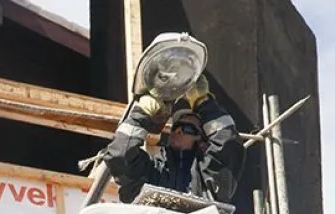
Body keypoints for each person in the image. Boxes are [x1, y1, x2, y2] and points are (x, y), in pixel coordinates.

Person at [103, 75, 245, 205]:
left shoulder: (209, 182)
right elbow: (120, 155)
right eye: (176, 127)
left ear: (203, 143)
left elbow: (228, 143)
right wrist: (142, 115)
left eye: (188, 129)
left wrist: (203, 102)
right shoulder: (151, 173)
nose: (178, 131)